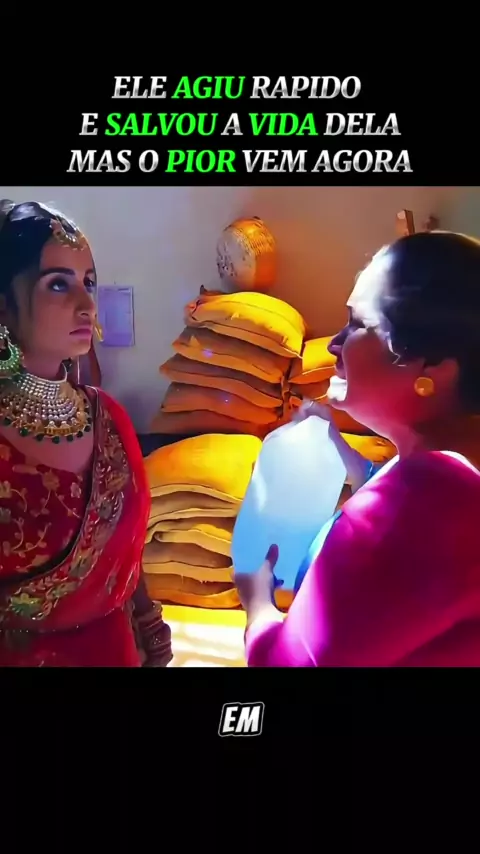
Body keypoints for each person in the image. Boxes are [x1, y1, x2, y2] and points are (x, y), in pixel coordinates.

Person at [235, 230, 480, 667]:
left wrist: (258, 606)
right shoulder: (449, 474)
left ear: (430, 365)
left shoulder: (425, 505)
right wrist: (338, 446)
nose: (334, 343)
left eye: (356, 324)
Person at [0, 199, 172, 667]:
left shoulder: (108, 416)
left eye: (88, 282)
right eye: (58, 284)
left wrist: (150, 627)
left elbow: (126, 553)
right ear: (4, 304)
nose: (87, 304)